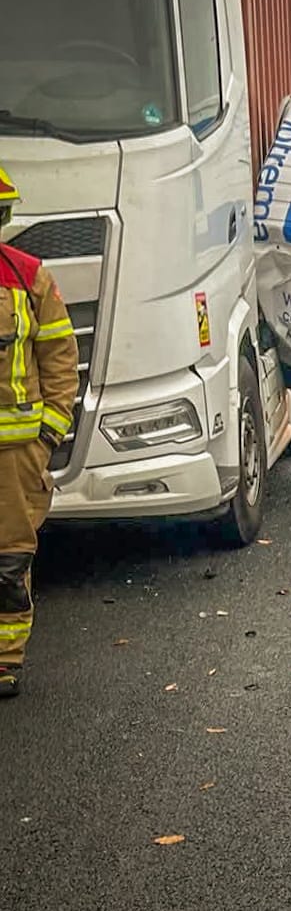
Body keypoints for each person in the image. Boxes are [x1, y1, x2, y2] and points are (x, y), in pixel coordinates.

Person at [0, 164, 79, 699]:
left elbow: (60, 358)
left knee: (8, 560)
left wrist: (48, 433)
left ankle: (5, 660)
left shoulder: (29, 278)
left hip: (15, 455)